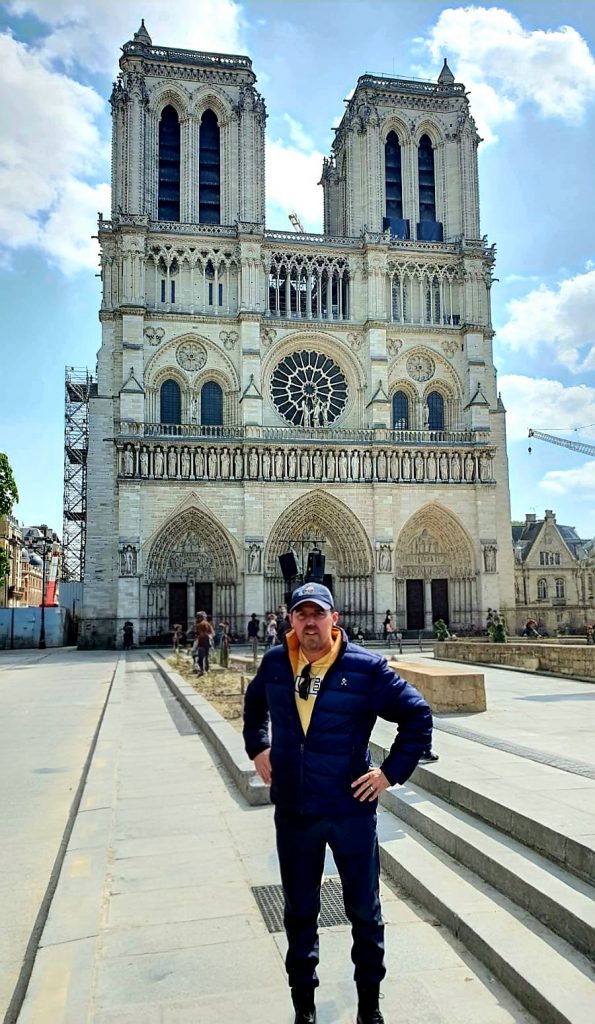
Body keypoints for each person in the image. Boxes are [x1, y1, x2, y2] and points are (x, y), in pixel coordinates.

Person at [243, 582, 432, 1024]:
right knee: (300, 914)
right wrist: (259, 746)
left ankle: (370, 1009)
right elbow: (254, 710)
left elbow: (418, 714)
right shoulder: (274, 665)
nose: (310, 622)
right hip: (295, 811)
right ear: (290, 619)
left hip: (350, 811)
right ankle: (303, 1012)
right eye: (302, 614)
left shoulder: (365, 668)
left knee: (365, 911)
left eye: (318, 613)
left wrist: (389, 774)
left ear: (335, 618)